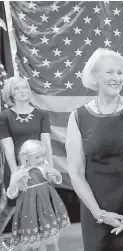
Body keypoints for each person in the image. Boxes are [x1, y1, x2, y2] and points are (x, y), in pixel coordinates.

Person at [65, 48, 123, 251]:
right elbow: (76, 172)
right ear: (95, 77)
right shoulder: (78, 117)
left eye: (120, 73)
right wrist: (100, 214)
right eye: (109, 72)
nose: (116, 78)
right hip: (95, 210)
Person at [0, 76, 54, 233]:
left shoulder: (41, 114)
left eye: (24, 87)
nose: (22, 91)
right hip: (17, 167)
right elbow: (8, 148)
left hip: (39, 168)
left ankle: (37, 242)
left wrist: (49, 167)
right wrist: (16, 173)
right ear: (10, 93)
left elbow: (47, 144)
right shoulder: (4, 116)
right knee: (15, 206)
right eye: (17, 88)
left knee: (37, 206)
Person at [6, 140, 69, 250]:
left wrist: (57, 175)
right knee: (35, 239)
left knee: (51, 237)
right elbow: (12, 194)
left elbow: (53, 180)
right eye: (37, 157)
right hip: (30, 209)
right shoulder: (19, 172)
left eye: (43, 156)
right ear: (26, 157)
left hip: (46, 206)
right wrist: (13, 182)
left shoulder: (44, 167)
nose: (41, 160)